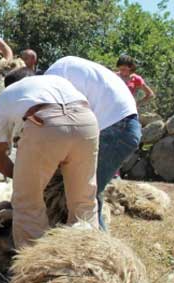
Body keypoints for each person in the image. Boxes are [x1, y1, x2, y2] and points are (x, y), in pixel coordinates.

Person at [0, 68, 99, 249]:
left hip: (46, 123)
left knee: (27, 204)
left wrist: (25, 180)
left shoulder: (5, 96)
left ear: (9, 85)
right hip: (87, 122)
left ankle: (36, 264)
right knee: (84, 201)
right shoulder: (56, 81)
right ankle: (87, 257)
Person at [45, 56, 140, 230]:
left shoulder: (53, 78)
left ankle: (96, 250)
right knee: (88, 193)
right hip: (123, 125)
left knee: (84, 196)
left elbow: (62, 122)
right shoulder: (66, 68)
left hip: (113, 128)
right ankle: (94, 244)